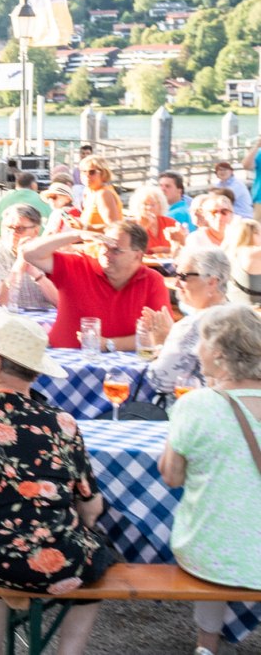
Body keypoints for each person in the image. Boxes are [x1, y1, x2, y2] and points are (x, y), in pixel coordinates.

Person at [0, 313, 110, 655]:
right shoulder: (61, 423)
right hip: (43, 563)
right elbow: (90, 506)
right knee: (99, 555)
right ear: (35, 372)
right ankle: (67, 652)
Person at [159, 303, 261, 655]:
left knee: (215, 530)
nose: (196, 351)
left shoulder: (197, 404)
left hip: (209, 556)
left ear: (217, 353)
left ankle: (207, 646)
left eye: (200, 342)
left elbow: (171, 477)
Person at [22, 221, 170, 350]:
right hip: (64, 362)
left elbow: (160, 334)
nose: (106, 252)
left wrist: (109, 344)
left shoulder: (151, 280)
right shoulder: (79, 265)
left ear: (137, 255)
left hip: (123, 369)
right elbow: (30, 254)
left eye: (115, 250)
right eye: (103, 246)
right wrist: (77, 235)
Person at [141, 247, 230, 397]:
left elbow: (160, 381)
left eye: (183, 276)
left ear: (212, 282)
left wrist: (161, 343)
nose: (176, 283)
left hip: (194, 413)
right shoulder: (243, 316)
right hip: (242, 411)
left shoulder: (193, 325)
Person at [0, 204, 57, 310]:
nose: (13, 233)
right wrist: (19, 265)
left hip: (48, 317)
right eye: (8, 228)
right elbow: (0, 301)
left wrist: (37, 275)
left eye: (20, 229)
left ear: (36, 230)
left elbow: (60, 302)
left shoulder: (49, 253)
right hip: (12, 319)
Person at [0, 171, 51, 239]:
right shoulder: (45, 200)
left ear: (17, 185)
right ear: (34, 185)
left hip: (8, 240)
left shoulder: (4, 198)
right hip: (39, 242)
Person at [128, 184, 184, 255]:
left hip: (168, 263)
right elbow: (130, 250)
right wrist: (143, 228)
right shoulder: (132, 225)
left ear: (160, 206)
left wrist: (164, 249)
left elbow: (182, 247)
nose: (149, 208)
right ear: (138, 206)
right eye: (145, 204)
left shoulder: (170, 222)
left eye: (152, 205)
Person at [221, 219, 261, 306]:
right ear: (254, 233)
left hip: (234, 311)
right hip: (253, 314)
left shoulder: (228, 254)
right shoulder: (250, 254)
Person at [78, 155, 122, 231]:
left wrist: (84, 227)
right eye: (84, 171)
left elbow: (114, 227)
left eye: (92, 172)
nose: (87, 175)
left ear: (103, 174)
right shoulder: (89, 193)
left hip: (102, 242)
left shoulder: (104, 194)